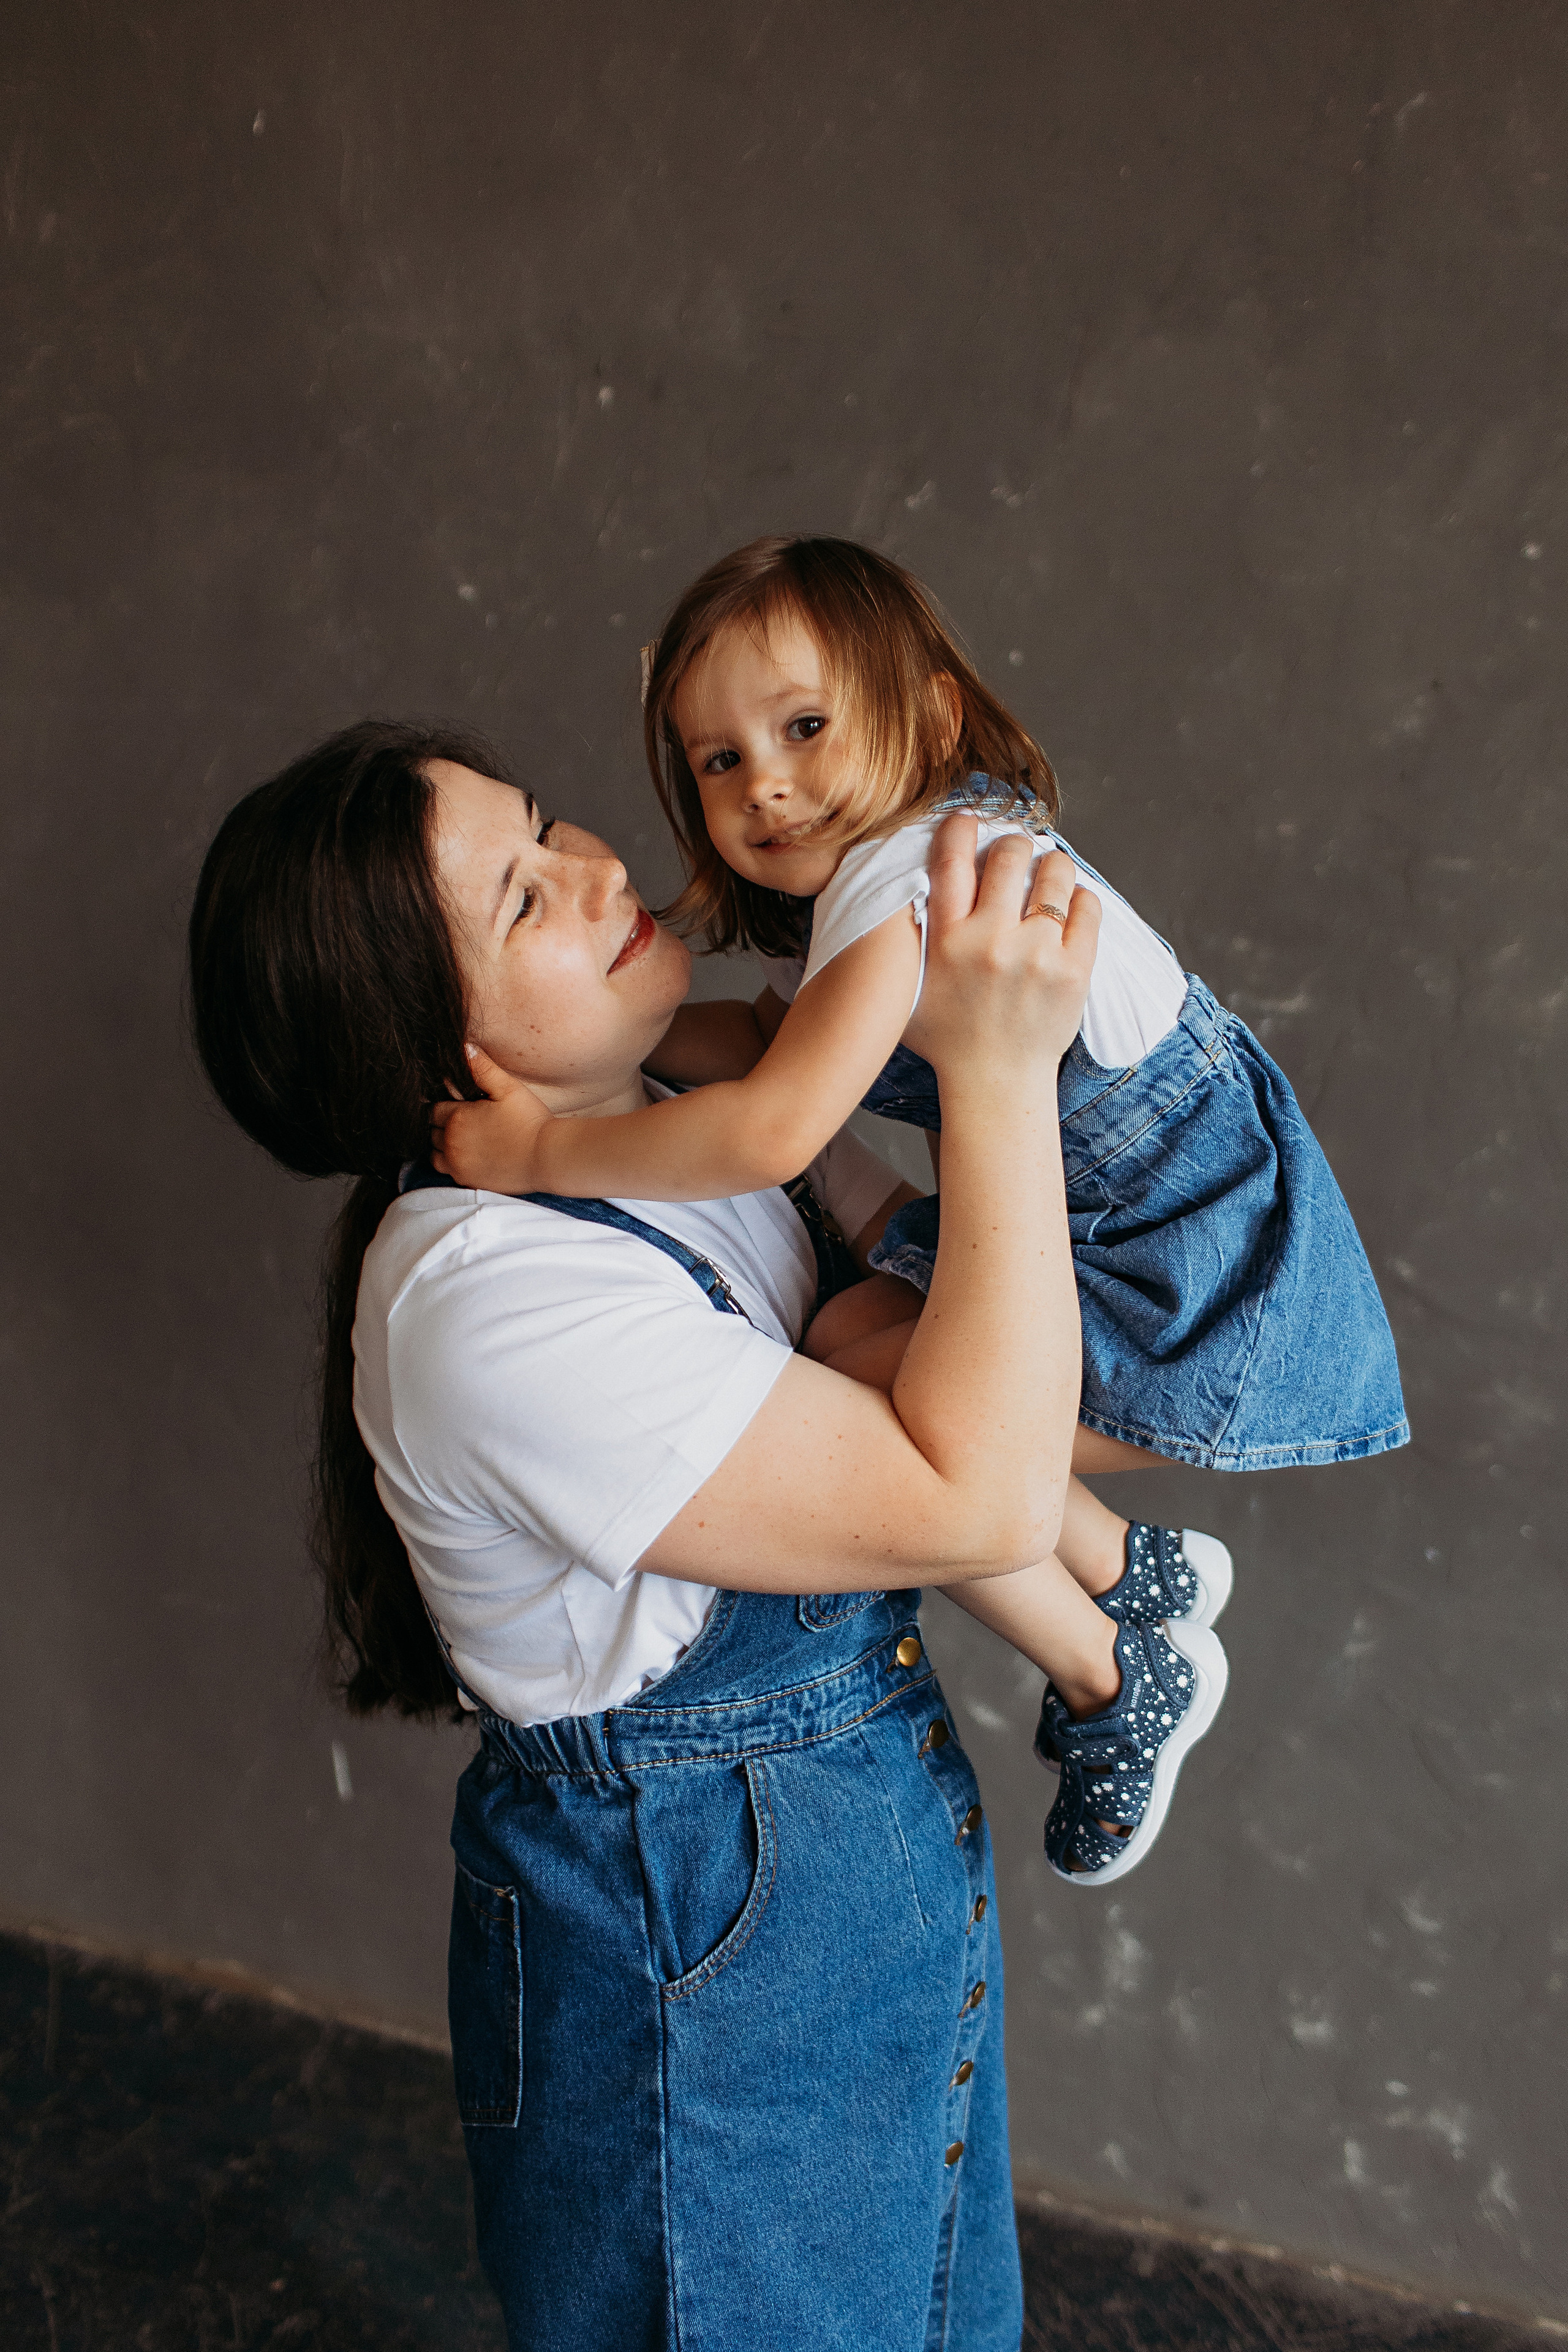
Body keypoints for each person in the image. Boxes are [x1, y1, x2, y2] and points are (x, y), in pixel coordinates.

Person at [186, 716, 1159, 2352]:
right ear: (442, 1061)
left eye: (549, 824)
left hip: (843, 1868)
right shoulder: (485, 1303)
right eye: (519, 902)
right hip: (699, 1940)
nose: (597, 865)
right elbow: (975, 1497)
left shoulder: (663, 1120)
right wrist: (993, 1074)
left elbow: (990, 1372)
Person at [429, 535, 1409, 1887]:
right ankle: (1136, 1583)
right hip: (1136, 1242)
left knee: (879, 1401)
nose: (763, 781)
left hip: (1188, 1287)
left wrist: (541, 1150)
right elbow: (765, 1052)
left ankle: (1122, 1653)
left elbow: (774, 1121)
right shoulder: (905, 867)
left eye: (804, 725)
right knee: (854, 1328)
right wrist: (614, 1059)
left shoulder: (914, 885)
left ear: (930, 713)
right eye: (718, 762)